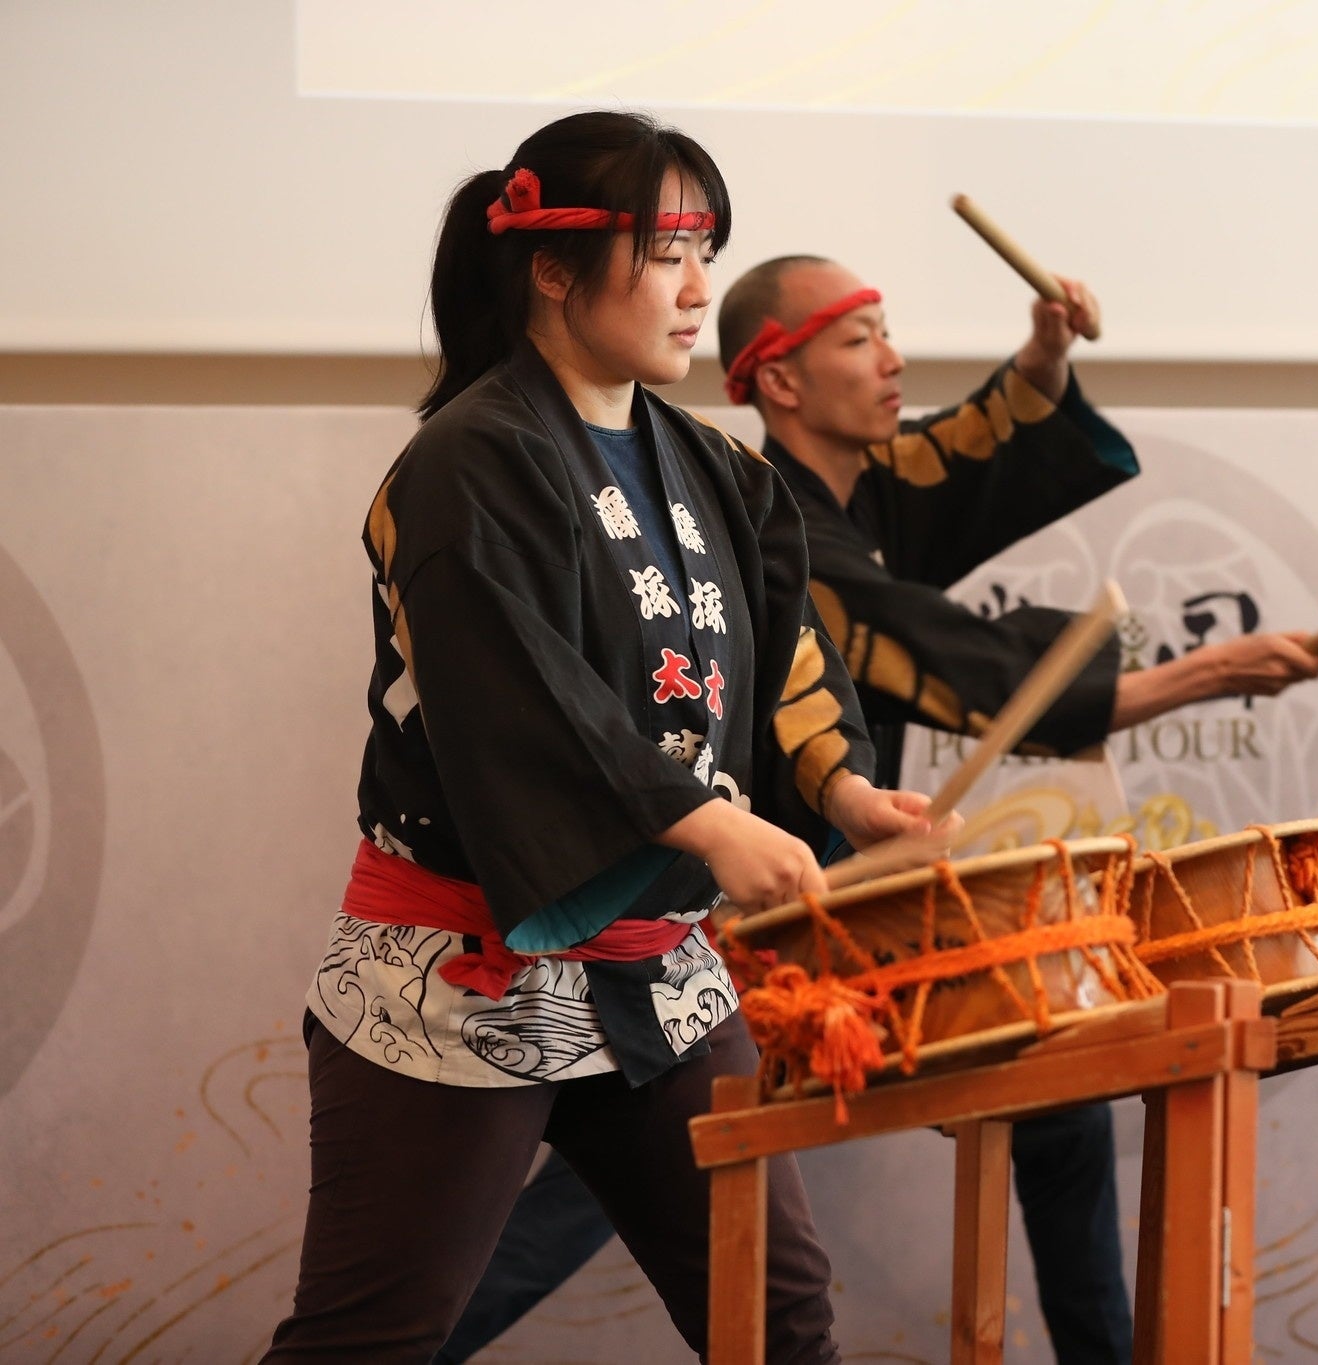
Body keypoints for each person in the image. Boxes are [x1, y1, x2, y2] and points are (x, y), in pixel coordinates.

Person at [439, 253, 1318, 1365]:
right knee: (615, 1180)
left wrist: (1045, 357)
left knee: (1051, 1113)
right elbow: (944, 652)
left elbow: (961, 462)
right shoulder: (770, 524)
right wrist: (1200, 673)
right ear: (781, 384)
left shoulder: (864, 496)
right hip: (741, 916)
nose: (894, 360)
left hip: (837, 905)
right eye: (860, 342)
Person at [265, 109, 933, 1365]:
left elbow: (782, 643)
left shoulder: (713, 466)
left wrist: (841, 789)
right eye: (665, 249)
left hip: (659, 975)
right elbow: (515, 691)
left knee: (778, 1319)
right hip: (462, 966)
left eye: (705, 248)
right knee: (373, 1340)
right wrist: (709, 821)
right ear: (554, 270)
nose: (697, 290)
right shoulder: (466, 459)